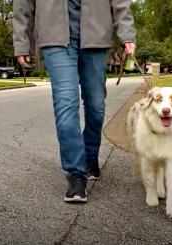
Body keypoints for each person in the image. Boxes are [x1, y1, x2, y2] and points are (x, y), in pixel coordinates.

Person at [13, 0, 136, 203]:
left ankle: (90, 156)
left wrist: (127, 33)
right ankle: (76, 174)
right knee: (66, 104)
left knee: (96, 105)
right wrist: (21, 43)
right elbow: (23, 5)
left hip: (96, 37)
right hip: (55, 39)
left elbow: (120, 2)